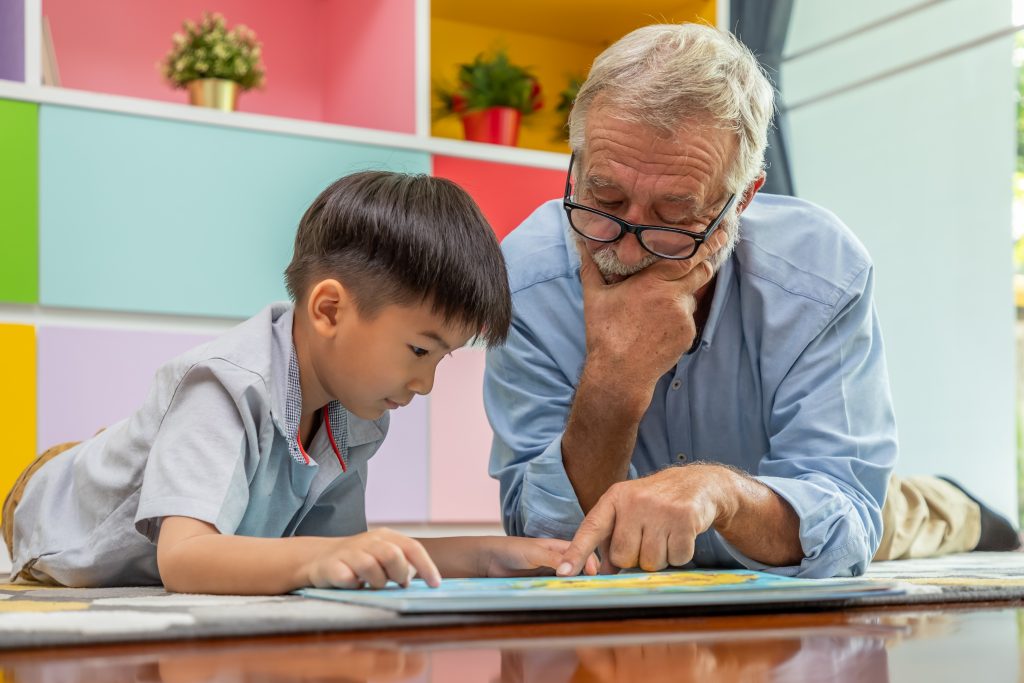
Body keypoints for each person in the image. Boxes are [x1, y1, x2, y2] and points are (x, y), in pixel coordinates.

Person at [483, 23, 1017, 581]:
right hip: (642, 560)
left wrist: (722, 493)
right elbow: (544, 540)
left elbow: (846, 520)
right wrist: (616, 378)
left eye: (673, 215)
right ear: (576, 162)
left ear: (743, 200)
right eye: (604, 196)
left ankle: (952, 504)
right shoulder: (524, 278)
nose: (628, 243)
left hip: (775, 506)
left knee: (900, 516)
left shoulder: (820, 274)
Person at [3, 171, 597, 592]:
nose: (427, 384)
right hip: (45, 509)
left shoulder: (353, 416)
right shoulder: (226, 385)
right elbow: (185, 560)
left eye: (441, 360)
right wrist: (324, 558)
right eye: (420, 349)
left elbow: (351, 549)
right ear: (330, 310)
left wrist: (496, 554)